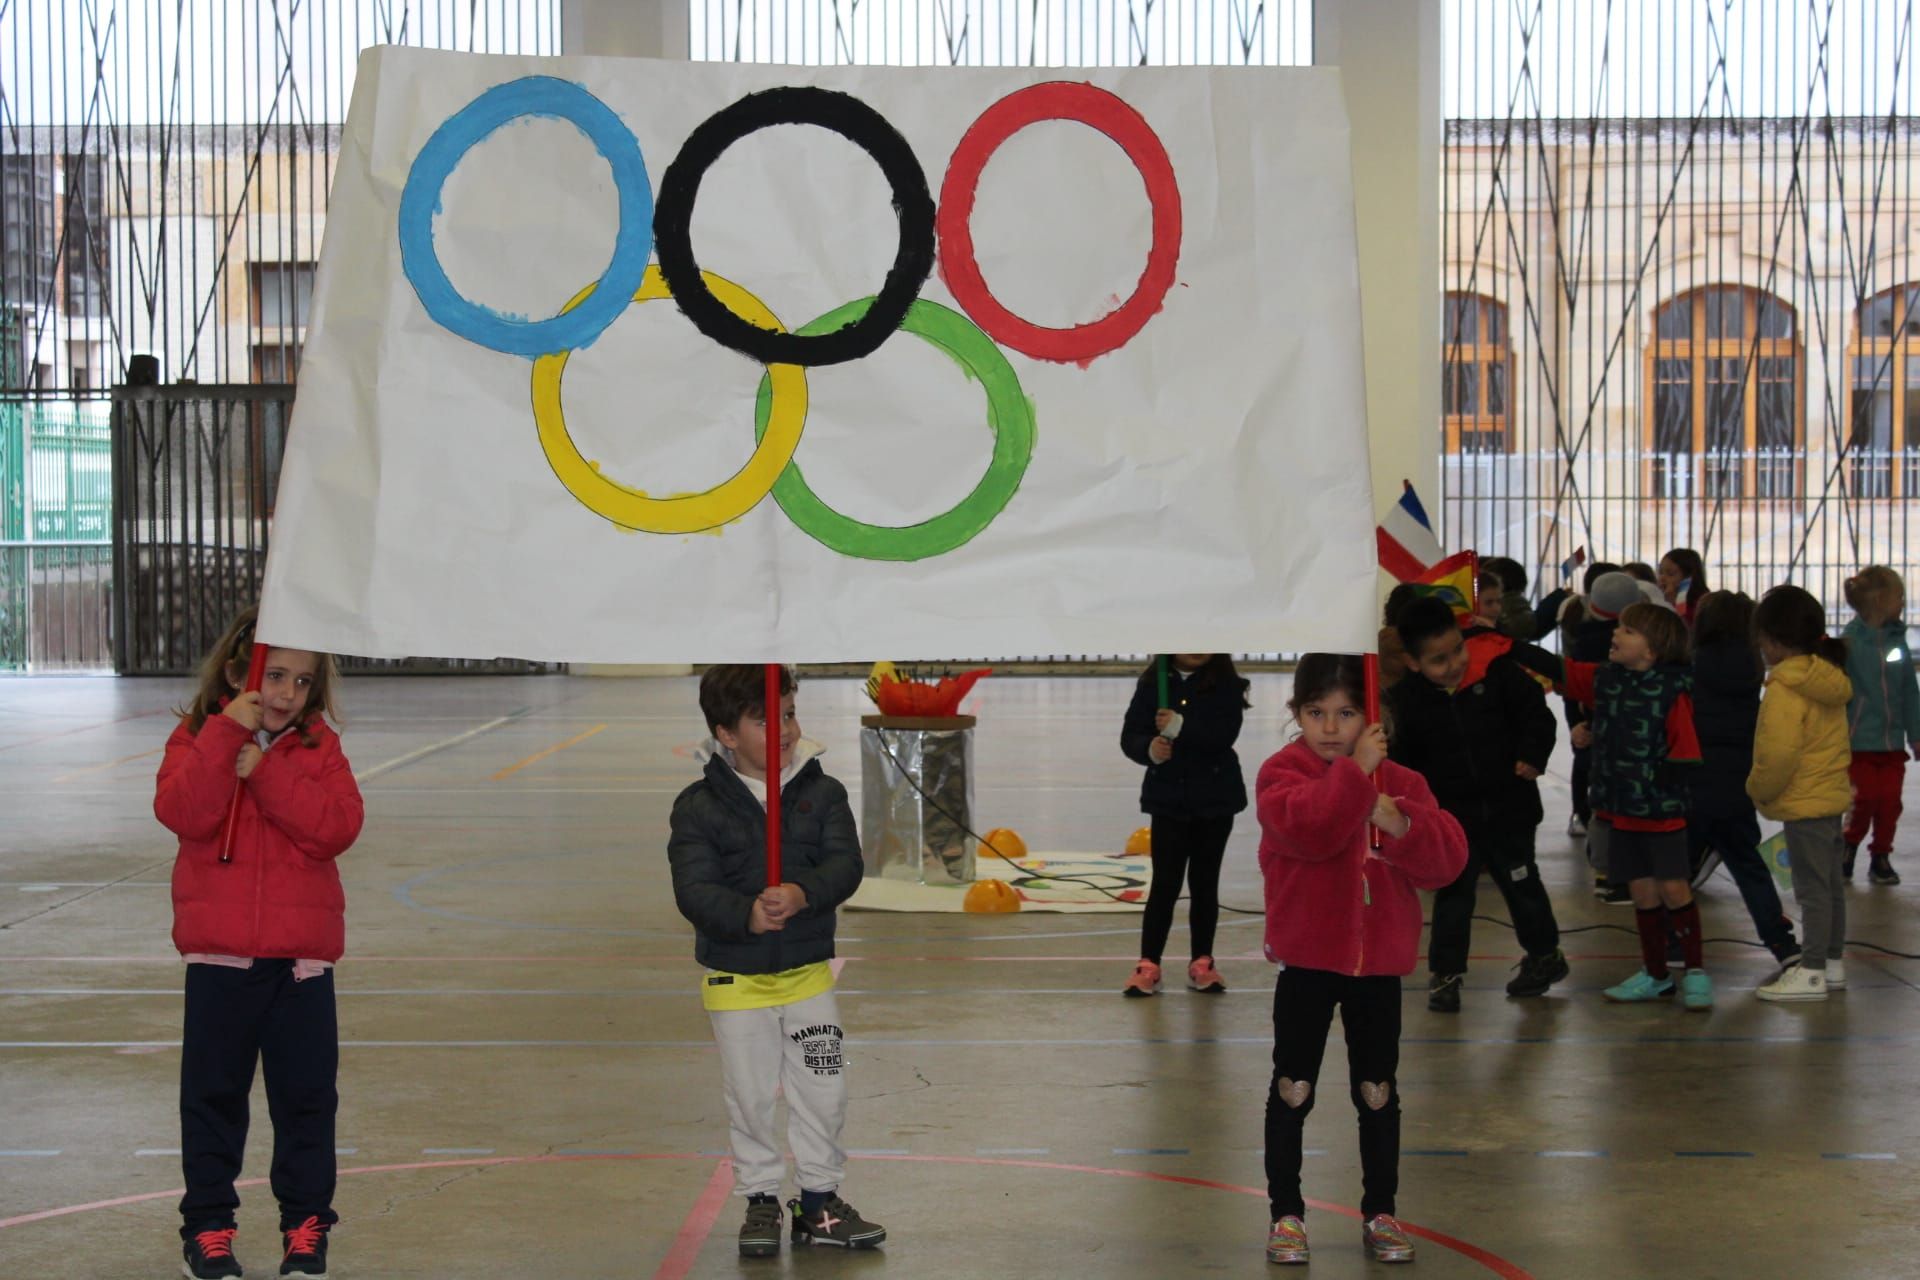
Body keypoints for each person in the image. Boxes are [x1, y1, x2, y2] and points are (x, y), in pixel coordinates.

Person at [154, 607, 363, 1280]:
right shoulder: (196, 737)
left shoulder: (317, 749)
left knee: (307, 1103)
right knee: (213, 1101)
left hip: (300, 968)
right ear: (241, 672)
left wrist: (266, 772)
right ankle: (209, 1228)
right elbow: (185, 813)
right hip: (220, 964)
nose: (285, 694)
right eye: (274, 676)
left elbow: (335, 828)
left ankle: (305, 1228)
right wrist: (226, 739)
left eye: (302, 683)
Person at [1255, 654, 1467, 1266]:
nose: (1328, 727)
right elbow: (1313, 830)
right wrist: (1356, 776)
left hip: (1377, 969)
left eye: (1346, 713)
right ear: (1295, 714)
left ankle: (1380, 1210)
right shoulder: (1281, 774)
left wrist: (1395, 817)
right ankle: (1286, 1213)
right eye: (1315, 712)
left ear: (1372, 718)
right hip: (1308, 962)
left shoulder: (1403, 783)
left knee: (1376, 1091)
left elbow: (1446, 862)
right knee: (1293, 1088)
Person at [667, 665, 883, 1253]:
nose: (785, 729)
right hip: (737, 982)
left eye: (789, 713)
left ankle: (818, 1202)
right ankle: (761, 1200)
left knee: (824, 1088)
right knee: (751, 1096)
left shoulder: (823, 792)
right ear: (727, 734)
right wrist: (747, 914)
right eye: (766, 720)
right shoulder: (698, 807)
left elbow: (847, 865)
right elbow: (694, 889)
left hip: (808, 977)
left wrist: (802, 893)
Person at [1510, 602, 1711, 1009]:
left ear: (1652, 651)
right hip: (1622, 812)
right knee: (1641, 893)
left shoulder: (1672, 690)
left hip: (1661, 814)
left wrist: (1659, 787)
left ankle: (1695, 972)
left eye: (1629, 631)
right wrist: (1504, 642)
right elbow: (1558, 668)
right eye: (1620, 627)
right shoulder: (1606, 679)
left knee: (1674, 888)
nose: (1616, 635)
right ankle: (1656, 975)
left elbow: (1685, 749)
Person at [1388, 598, 1566, 1012]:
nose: (1453, 664)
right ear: (1413, 663)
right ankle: (1446, 975)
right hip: (1451, 820)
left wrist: (1533, 755)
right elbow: (1402, 760)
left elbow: (1537, 717)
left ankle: (1545, 956)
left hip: (1511, 810)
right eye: (1438, 660)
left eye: (1457, 651)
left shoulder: (1499, 673)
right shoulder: (1406, 702)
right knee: (1453, 897)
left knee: (1523, 885)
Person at [1118, 654, 1250, 995]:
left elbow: (1223, 734)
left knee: (1205, 882)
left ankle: (1202, 960)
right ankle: (1149, 963)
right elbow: (1131, 734)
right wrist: (1149, 748)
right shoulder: (1153, 684)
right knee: (1165, 882)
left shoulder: (1226, 685)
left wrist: (1181, 726)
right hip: (1168, 801)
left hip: (1215, 800)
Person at [1749, 588, 1855, 1002]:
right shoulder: (1825, 678)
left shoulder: (1785, 689)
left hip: (1804, 804)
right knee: (1829, 888)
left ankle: (1810, 970)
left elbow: (1778, 753)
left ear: (1772, 639)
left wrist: (1758, 789)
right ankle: (1831, 963)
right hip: (1828, 799)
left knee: (1811, 892)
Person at [1688, 591, 1800, 965]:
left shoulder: (1692, 664)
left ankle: (1676, 944)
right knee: (1750, 866)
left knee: (1673, 872)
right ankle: (1781, 943)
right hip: (1737, 782)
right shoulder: (1754, 668)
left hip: (1693, 781)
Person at [1841, 566, 1920, 885]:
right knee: (1863, 799)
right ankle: (1849, 844)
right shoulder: (1849, 643)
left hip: (1890, 745)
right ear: (1879, 600)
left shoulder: (1897, 642)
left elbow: (1909, 692)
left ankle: (1881, 855)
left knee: (1890, 803)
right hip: (1858, 743)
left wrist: (1915, 735)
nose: (1903, 602)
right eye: (1898, 596)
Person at [1658, 548, 1710, 625]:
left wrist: (1675, 603)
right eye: (1660, 572)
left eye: (1670, 574)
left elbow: (1685, 631)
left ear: (1688, 578)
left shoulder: (1703, 603)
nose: (1662, 578)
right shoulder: (1659, 599)